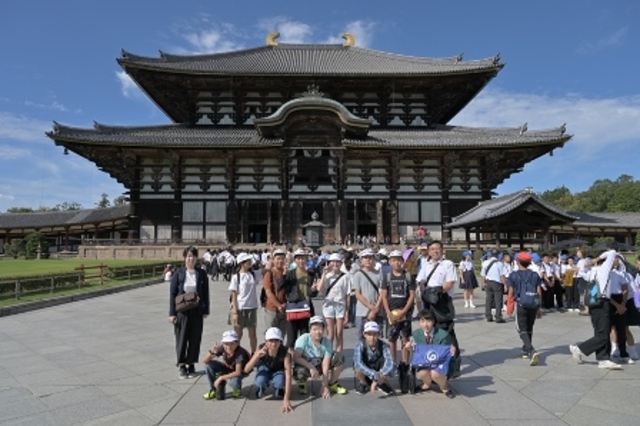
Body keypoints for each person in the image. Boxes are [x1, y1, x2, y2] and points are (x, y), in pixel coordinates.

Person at [569, 245, 623, 369]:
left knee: (602, 331)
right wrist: (596, 259)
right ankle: (579, 348)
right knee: (603, 335)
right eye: (616, 259)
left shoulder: (593, 272)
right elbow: (612, 251)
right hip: (602, 303)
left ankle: (603, 358)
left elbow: (582, 273)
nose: (617, 260)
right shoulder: (604, 269)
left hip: (594, 304)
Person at [168, 246, 210, 379]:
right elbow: (172, 293)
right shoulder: (179, 273)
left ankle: (191, 363)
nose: (190, 259)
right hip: (182, 311)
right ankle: (182, 365)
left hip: (196, 310)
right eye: (188, 256)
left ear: (197, 258)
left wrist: (206, 309)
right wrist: (172, 313)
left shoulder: (201, 273)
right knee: (181, 338)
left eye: (193, 256)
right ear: (185, 258)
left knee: (195, 338)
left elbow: (205, 293)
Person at [416, 240, 460, 361]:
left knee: (447, 330)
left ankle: (453, 361)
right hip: (429, 301)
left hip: (442, 301)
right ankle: (436, 358)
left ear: (442, 250)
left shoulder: (448, 264)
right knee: (431, 329)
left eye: (438, 248)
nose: (435, 251)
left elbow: (450, 282)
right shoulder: (426, 264)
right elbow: (421, 280)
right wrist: (426, 293)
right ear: (429, 251)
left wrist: (438, 292)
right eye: (432, 249)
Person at [402, 310, 456, 398]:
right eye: (422, 321)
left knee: (435, 373)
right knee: (422, 373)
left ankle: (444, 387)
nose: (425, 325)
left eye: (428, 321)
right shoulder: (416, 334)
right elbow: (417, 352)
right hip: (425, 363)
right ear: (419, 322)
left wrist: (452, 351)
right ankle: (426, 384)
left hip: (440, 364)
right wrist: (409, 348)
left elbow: (449, 354)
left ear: (433, 321)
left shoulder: (443, 335)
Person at [292, 316, 347, 397]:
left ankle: (332, 383)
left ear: (324, 329)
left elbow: (325, 363)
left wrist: (325, 386)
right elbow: (296, 357)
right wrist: (311, 367)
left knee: (338, 357)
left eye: (320, 329)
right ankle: (302, 383)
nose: (318, 332)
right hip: (306, 366)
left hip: (319, 365)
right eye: (314, 329)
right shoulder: (303, 339)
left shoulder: (327, 342)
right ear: (310, 329)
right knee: (298, 371)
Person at [244, 327, 293, 413]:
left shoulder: (285, 353)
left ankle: (279, 389)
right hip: (265, 368)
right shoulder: (261, 349)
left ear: (280, 341)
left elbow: (288, 375)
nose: (273, 344)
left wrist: (286, 399)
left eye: (276, 340)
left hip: (278, 369)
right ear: (266, 341)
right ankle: (261, 388)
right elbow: (246, 369)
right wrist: (256, 356)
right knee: (260, 381)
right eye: (270, 340)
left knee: (280, 382)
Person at [507, 252, 543, 366]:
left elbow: (511, 292)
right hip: (533, 304)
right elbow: (539, 292)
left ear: (517, 261)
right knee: (529, 327)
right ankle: (525, 350)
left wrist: (509, 306)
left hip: (521, 304)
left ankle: (531, 350)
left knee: (521, 328)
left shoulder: (513, 275)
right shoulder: (535, 275)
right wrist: (539, 307)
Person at [380, 249, 415, 365]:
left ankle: (405, 363)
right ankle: (392, 363)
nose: (396, 263)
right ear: (389, 262)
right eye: (393, 260)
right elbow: (384, 296)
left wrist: (404, 311)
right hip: (391, 313)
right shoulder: (387, 277)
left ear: (403, 261)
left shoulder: (408, 276)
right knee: (391, 339)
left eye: (399, 260)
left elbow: (412, 296)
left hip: (406, 313)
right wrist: (388, 313)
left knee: (405, 338)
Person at [281, 249, 319, 351]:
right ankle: (292, 359)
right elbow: (281, 287)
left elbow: (312, 294)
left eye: (303, 258)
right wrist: (284, 275)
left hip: (306, 308)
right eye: (299, 259)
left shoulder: (310, 274)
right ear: (295, 260)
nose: (301, 261)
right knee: (291, 338)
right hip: (293, 307)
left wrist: (314, 290)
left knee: (305, 336)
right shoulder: (291, 273)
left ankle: (302, 359)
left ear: (306, 259)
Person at [202, 330, 250, 400]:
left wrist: (221, 377)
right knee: (208, 365)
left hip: (240, 371)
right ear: (223, 344)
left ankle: (237, 388)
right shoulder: (223, 348)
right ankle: (213, 389)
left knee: (233, 382)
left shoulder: (239, 353)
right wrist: (211, 353)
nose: (229, 347)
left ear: (237, 343)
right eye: (226, 344)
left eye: (232, 343)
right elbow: (204, 361)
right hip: (227, 367)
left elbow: (238, 372)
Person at [318, 253, 350, 354]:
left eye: (337, 262)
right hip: (329, 305)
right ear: (329, 263)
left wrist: (347, 312)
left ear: (341, 263)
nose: (335, 264)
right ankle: (328, 355)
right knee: (330, 334)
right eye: (333, 262)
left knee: (339, 333)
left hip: (340, 305)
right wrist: (324, 273)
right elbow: (319, 289)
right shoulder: (327, 276)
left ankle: (338, 357)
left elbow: (347, 294)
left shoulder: (345, 276)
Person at [353, 321, 395, 396]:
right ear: (364, 335)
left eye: (375, 334)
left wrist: (377, 379)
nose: (372, 338)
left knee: (391, 366)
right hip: (366, 371)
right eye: (369, 334)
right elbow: (358, 363)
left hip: (379, 371)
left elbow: (390, 362)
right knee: (357, 367)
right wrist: (374, 375)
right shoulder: (359, 345)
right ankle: (363, 383)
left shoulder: (384, 345)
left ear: (378, 335)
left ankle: (381, 383)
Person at [229, 252, 258, 354]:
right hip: (240, 308)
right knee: (238, 335)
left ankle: (254, 354)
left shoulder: (253, 274)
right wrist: (235, 312)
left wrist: (271, 252)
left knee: (252, 335)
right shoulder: (236, 277)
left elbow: (266, 269)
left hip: (251, 307)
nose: (250, 262)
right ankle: (237, 354)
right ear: (242, 263)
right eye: (247, 261)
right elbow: (234, 295)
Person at [353, 248, 384, 340]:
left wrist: (375, 309)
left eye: (370, 257)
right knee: (361, 337)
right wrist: (371, 307)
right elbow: (357, 294)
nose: (368, 260)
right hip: (362, 311)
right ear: (361, 260)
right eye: (365, 258)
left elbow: (382, 293)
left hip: (378, 311)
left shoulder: (379, 274)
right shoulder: (358, 274)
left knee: (376, 338)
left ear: (374, 259)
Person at [262, 248, 289, 338]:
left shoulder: (287, 273)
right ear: (273, 260)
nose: (280, 261)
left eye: (282, 258)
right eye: (278, 258)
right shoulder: (269, 274)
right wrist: (278, 305)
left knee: (281, 335)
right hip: (272, 309)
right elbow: (268, 292)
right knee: (271, 336)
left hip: (284, 309)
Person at [481, 248, 505, 323]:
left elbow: (483, 274)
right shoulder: (499, 263)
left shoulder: (485, 263)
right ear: (498, 255)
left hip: (488, 282)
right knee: (498, 300)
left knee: (488, 299)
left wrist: (483, 282)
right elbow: (502, 275)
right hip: (497, 283)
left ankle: (488, 316)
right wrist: (505, 284)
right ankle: (498, 317)